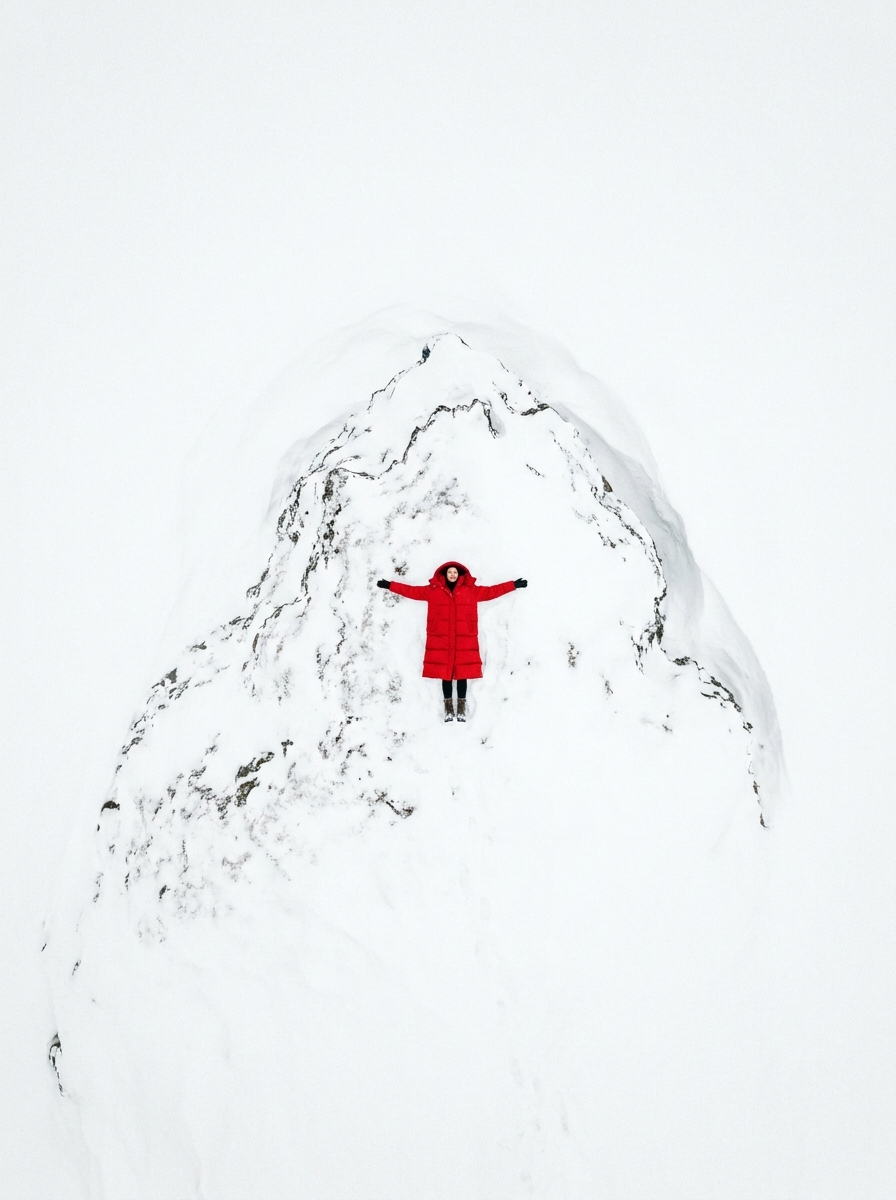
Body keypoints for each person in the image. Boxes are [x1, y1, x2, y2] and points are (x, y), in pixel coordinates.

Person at [377, 561, 527, 722]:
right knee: (445, 673)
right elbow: (411, 591)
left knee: (463, 673)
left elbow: (492, 591)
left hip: (465, 637)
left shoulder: (471, 591)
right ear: (445, 574)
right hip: (441, 638)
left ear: (460, 574)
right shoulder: (433, 591)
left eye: (455, 572)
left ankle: (461, 710)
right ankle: (449, 709)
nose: (453, 575)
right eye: (450, 572)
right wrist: (389, 585)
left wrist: (513, 585)